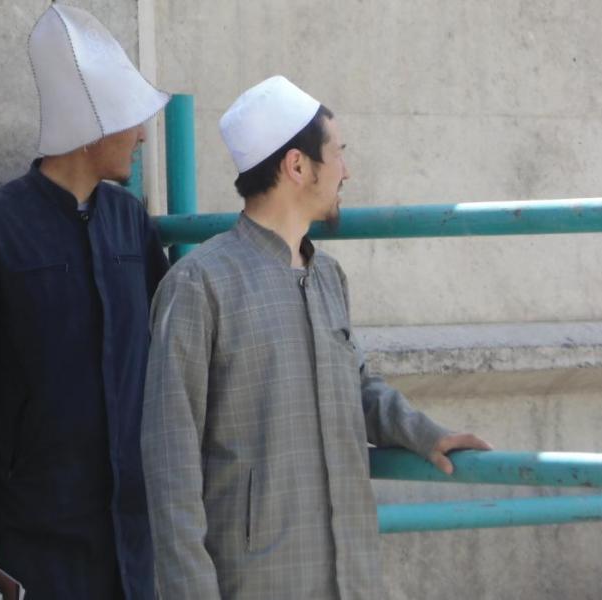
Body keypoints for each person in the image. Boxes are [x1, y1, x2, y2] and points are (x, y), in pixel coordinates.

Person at [141, 75, 491, 599]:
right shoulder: (199, 285)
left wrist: (423, 433)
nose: (346, 170)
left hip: (350, 577)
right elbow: (170, 463)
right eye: (338, 153)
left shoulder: (328, 277)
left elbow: (356, 385)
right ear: (297, 166)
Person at [0, 4, 170, 599]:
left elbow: (165, 355)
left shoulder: (131, 224)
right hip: (32, 530)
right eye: (131, 120)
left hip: (128, 530)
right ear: (91, 125)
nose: (142, 136)